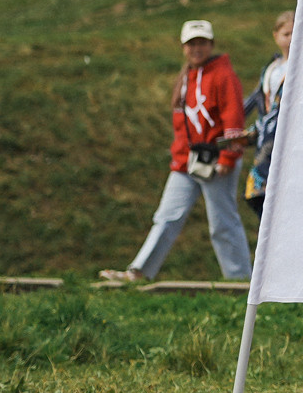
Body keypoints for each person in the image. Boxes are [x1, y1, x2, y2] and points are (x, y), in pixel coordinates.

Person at [101, 19, 251, 284]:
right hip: (187, 161)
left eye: (202, 43)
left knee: (222, 223)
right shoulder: (185, 78)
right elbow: (182, 123)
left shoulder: (223, 75)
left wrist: (229, 155)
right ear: (183, 47)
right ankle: (139, 272)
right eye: (192, 44)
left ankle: (240, 280)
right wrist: (179, 156)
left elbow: (233, 116)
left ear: (211, 45)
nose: (197, 49)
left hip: (217, 159)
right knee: (166, 217)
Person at [241, 10, 292, 217]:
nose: (291, 38)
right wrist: (239, 128)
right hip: (266, 137)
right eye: (286, 34)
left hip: (288, 138)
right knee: (263, 201)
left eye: (296, 33)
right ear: (276, 36)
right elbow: (257, 100)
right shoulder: (271, 68)